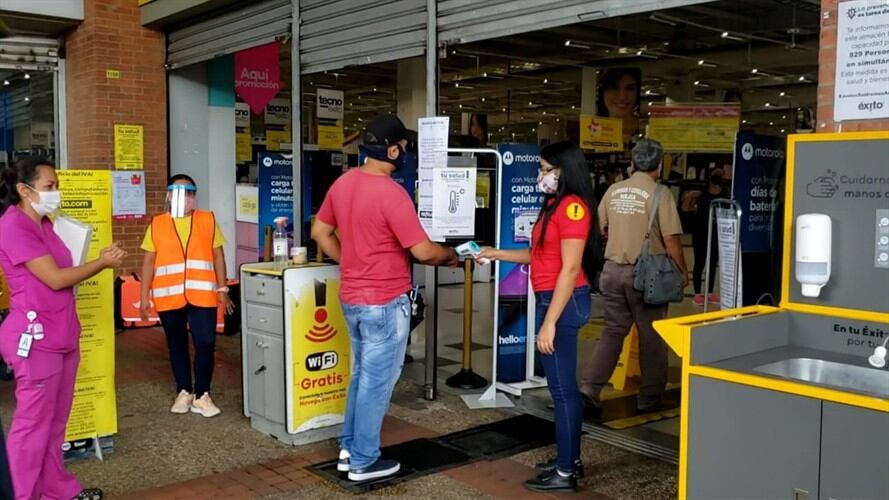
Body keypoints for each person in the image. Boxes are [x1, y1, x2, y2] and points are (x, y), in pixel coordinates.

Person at [312, 114, 458, 482]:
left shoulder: (344, 183)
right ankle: (363, 461)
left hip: (352, 298)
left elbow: (320, 232)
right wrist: (450, 256)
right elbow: (423, 251)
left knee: (361, 375)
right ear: (392, 150)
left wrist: (351, 262)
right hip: (384, 302)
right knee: (376, 383)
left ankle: (349, 449)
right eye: (404, 147)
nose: (406, 152)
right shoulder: (392, 193)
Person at [0, 157, 125, 500]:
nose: (56, 192)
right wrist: (102, 263)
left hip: (62, 331)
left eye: (57, 185)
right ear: (24, 190)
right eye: (49, 186)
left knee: (55, 423)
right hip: (36, 337)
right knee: (32, 427)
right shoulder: (13, 226)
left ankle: (56, 490)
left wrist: (99, 256)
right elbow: (55, 278)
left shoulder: (44, 223)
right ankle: (20, 494)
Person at [478, 141, 598, 493]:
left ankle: (565, 472)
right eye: (540, 169)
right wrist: (495, 253)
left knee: (562, 392)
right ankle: (569, 459)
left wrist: (549, 323)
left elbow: (570, 268)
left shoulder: (572, 208)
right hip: (554, 299)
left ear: (565, 169)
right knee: (562, 389)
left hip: (564, 302)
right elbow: (539, 255)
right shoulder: (553, 205)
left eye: (546, 169)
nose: (540, 176)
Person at [580, 139, 688, 412]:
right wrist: (682, 272)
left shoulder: (614, 190)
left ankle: (590, 388)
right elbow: (672, 240)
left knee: (612, 331)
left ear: (633, 163)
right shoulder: (661, 194)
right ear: (659, 164)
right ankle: (649, 397)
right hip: (646, 276)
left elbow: (598, 228)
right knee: (651, 336)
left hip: (611, 272)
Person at [139, 174, 234, 417]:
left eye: (190, 192)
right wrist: (144, 296)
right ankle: (183, 391)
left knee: (206, 343)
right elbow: (148, 262)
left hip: (202, 294)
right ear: (169, 196)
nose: (186, 197)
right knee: (177, 344)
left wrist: (223, 289)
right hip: (168, 295)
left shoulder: (207, 220)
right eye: (180, 192)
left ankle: (202, 394)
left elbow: (218, 256)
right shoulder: (157, 224)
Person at [689, 168, 726, 306]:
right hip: (700, 233)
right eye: (716, 173)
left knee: (712, 263)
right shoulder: (701, 193)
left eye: (721, 174)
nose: (718, 176)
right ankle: (697, 293)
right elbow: (687, 208)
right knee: (699, 263)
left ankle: (709, 292)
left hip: (716, 234)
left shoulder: (726, 194)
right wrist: (690, 197)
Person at [597, 68, 642, 144]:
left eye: (630, 88)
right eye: (614, 88)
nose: (622, 97)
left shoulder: (647, 129)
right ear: (602, 92)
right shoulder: (593, 130)